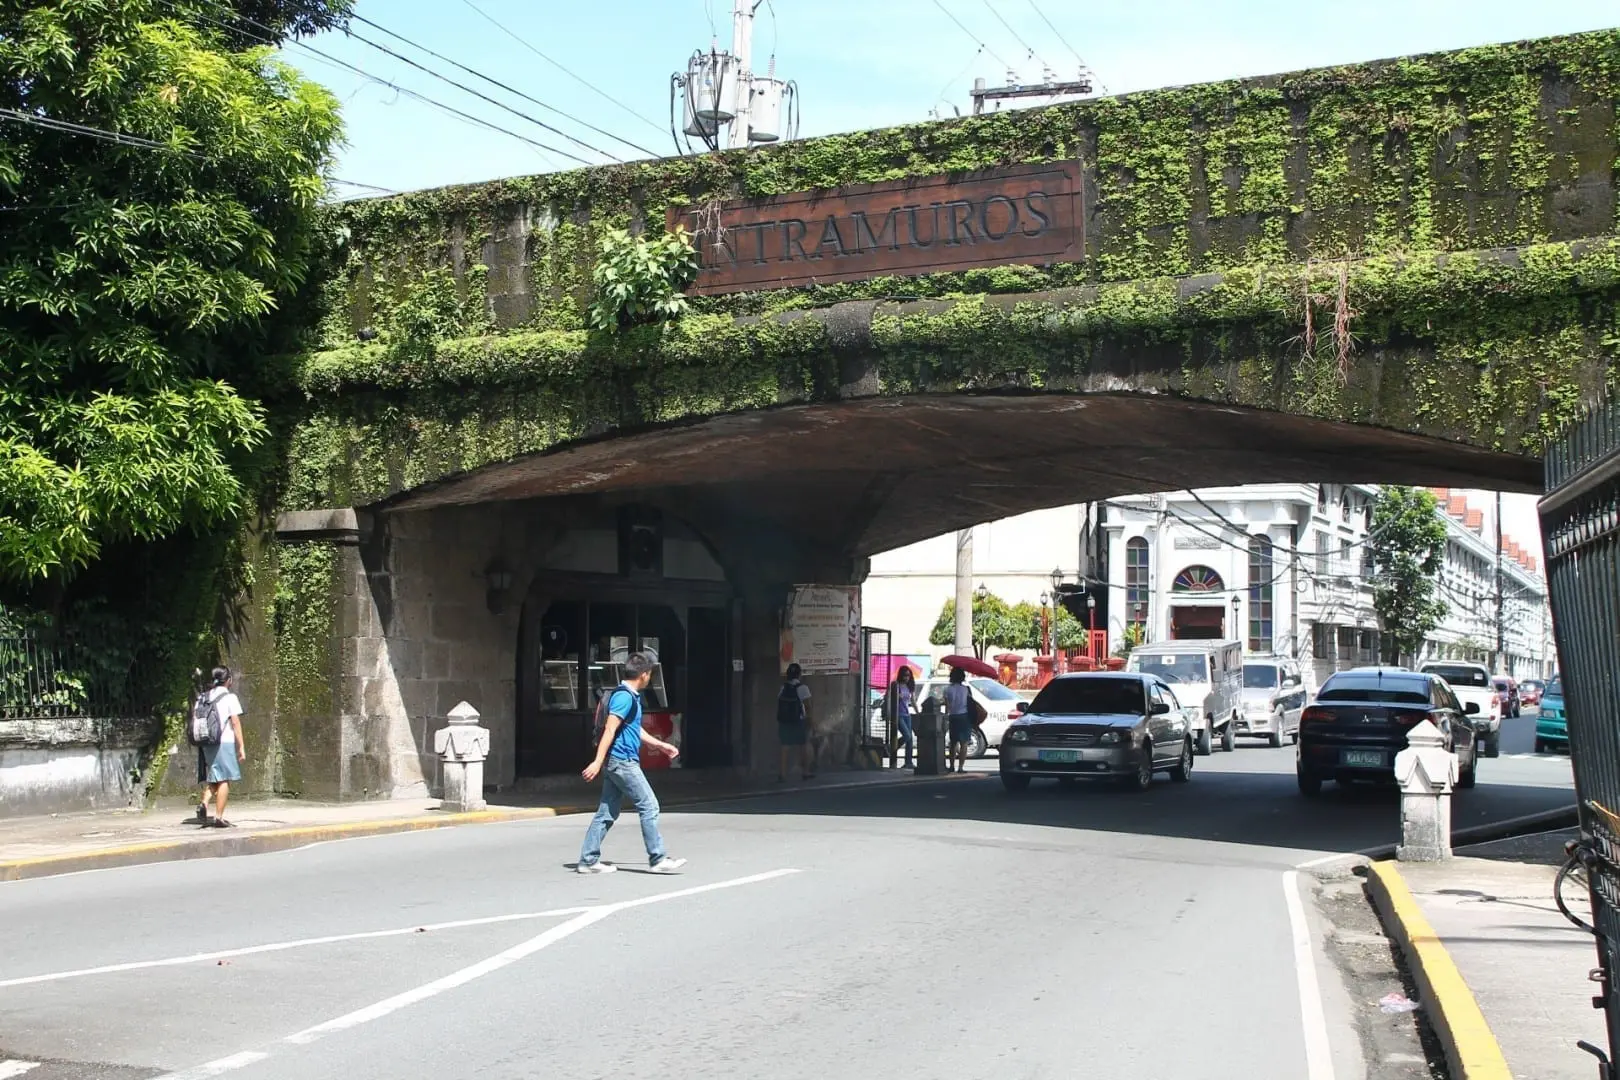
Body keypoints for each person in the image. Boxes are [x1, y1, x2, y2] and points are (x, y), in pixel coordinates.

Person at [577, 652, 685, 875]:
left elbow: (634, 728)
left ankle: (588, 860)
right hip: (623, 761)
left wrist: (661, 745)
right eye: (650, 674)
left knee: (607, 812)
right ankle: (658, 858)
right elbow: (610, 729)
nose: (650, 678)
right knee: (650, 805)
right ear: (644, 675)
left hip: (616, 762)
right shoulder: (625, 697)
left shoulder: (628, 696)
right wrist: (597, 761)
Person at [195, 667, 245, 828]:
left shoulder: (204, 696)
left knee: (216, 774)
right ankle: (218, 817)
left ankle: (204, 802)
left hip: (206, 741)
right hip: (224, 741)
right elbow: (235, 722)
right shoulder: (230, 697)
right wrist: (241, 746)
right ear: (228, 679)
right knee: (225, 779)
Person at [777, 662, 815, 782]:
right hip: (798, 721)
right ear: (799, 675)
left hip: (784, 721)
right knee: (803, 746)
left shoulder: (783, 687)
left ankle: (782, 774)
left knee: (785, 747)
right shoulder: (802, 688)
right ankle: (805, 772)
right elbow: (808, 706)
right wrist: (811, 721)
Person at [942, 667, 977, 773]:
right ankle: (961, 767)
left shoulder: (947, 689)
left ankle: (951, 766)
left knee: (953, 743)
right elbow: (970, 703)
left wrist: (946, 717)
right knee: (964, 743)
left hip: (953, 716)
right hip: (964, 716)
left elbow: (947, 707)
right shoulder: (966, 689)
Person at [888, 666, 917, 768]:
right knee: (907, 735)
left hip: (906, 714)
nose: (907, 677)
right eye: (905, 675)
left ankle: (908, 762)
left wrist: (918, 712)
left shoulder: (909, 687)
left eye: (908, 675)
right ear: (901, 675)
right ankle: (890, 748)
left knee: (910, 740)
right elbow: (890, 699)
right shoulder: (896, 685)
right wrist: (897, 697)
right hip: (898, 714)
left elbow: (913, 701)